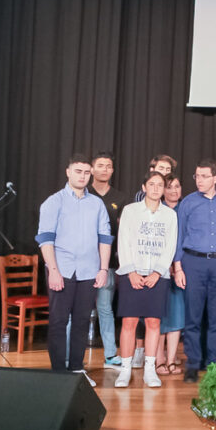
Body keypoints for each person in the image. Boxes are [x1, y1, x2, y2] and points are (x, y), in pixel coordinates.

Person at [35, 154, 113, 386]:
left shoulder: (97, 204)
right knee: (59, 322)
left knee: (82, 321)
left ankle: (77, 368)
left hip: (89, 271)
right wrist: (53, 270)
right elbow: (46, 240)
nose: (83, 176)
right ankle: (59, 373)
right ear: (68, 172)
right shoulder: (53, 202)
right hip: (62, 270)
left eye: (87, 172)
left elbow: (105, 238)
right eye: (78, 171)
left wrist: (103, 269)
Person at [174, 159, 216, 382]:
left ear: (215, 178)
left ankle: (214, 363)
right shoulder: (188, 203)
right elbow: (179, 235)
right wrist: (178, 267)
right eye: (197, 176)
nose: (199, 180)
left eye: (204, 176)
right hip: (193, 262)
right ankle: (193, 364)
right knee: (193, 317)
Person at [114, 171, 177, 388]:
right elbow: (123, 242)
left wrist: (157, 273)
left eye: (160, 185)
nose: (156, 188)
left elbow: (170, 245)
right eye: (152, 184)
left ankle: (150, 369)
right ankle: (125, 369)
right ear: (144, 187)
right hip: (132, 273)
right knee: (129, 322)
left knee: (153, 322)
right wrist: (131, 271)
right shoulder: (130, 211)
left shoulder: (170, 215)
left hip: (157, 276)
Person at [88, 151, 131, 370]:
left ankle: (110, 355)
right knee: (77, 312)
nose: (104, 170)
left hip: (109, 264)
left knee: (105, 308)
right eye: (100, 165)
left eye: (108, 166)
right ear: (92, 169)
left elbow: (125, 231)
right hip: (84, 262)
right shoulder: (84, 193)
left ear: (112, 170)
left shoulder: (121, 198)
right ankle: (69, 356)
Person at [156, 174, 184, 375]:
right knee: (158, 316)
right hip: (159, 269)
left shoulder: (186, 208)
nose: (174, 190)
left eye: (177, 186)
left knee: (177, 315)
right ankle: (159, 360)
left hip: (181, 270)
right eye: (169, 187)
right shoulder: (157, 209)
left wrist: (178, 264)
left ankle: (172, 360)